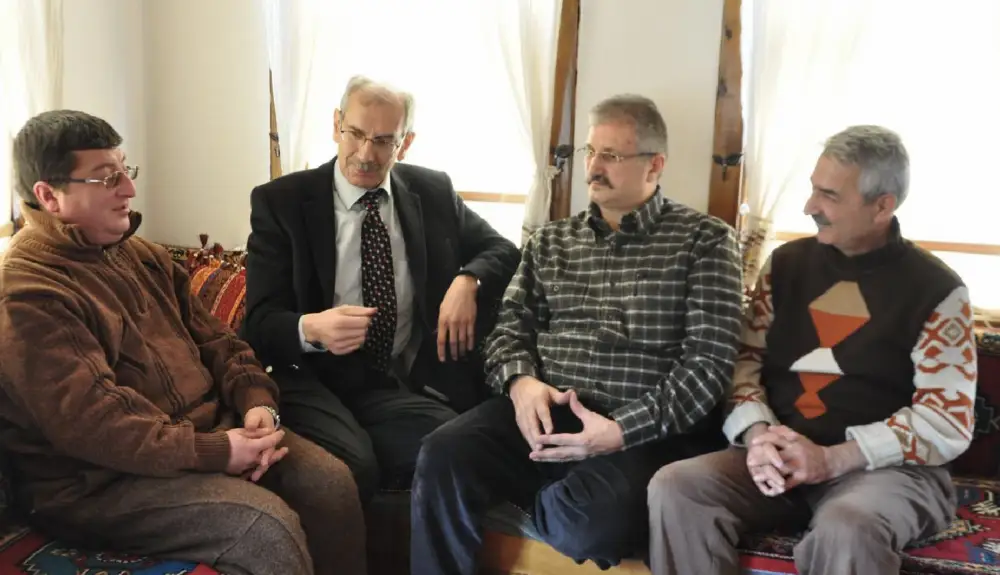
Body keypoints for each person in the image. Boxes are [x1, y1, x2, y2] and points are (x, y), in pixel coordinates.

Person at [0, 110, 366, 575]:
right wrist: (217, 452)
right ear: (49, 196)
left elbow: (221, 343)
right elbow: (95, 425)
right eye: (106, 178)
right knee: (264, 529)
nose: (129, 190)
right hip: (98, 483)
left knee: (330, 484)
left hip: (203, 437)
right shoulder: (28, 291)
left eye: (125, 170)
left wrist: (257, 403)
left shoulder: (143, 256)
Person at [410, 94, 744, 574]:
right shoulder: (550, 240)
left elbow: (708, 368)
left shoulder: (706, 242)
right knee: (442, 454)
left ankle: (554, 499)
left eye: (612, 155)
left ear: (655, 165)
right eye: (591, 151)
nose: (594, 167)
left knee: (584, 523)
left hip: (641, 432)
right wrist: (520, 384)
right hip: (546, 414)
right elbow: (508, 330)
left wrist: (619, 431)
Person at [647, 125, 978, 574]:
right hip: (782, 455)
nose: (810, 206)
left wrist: (833, 459)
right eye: (813, 189)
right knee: (676, 487)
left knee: (848, 524)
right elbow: (743, 363)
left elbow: (946, 420)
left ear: (882, 206)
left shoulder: (937, 290)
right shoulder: (785, 265)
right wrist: (758, 435)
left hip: (886, 473)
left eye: (829, 195)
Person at [242, 75, 520, 504]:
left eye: (383, 141)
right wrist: (312, 328)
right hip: (313, 378)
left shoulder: (433, 191)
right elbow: (259, 323)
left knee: (466, 445)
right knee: (359, 464)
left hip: (399, 383)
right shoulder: (282, 202)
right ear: (336, 125)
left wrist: (468, 280)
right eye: (355, 134)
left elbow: (502, 249)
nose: (366, 154)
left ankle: (364, 438)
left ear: (404, 144)